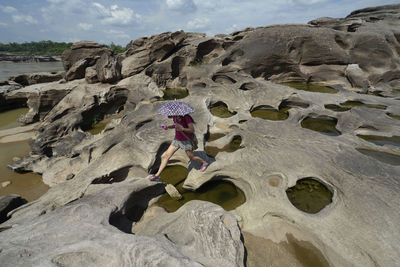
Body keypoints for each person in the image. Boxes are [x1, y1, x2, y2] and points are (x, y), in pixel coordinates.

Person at [149, 114, 208, 181]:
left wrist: (182, 128)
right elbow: (175, 125)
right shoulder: (175, 117)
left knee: (191, 157)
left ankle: (204, 163)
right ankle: (157, 175)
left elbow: (192, 130)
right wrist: (167, 127)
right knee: (166, 156)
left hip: (186, 141)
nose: (168, 114)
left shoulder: (186, 117)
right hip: (177, 140)